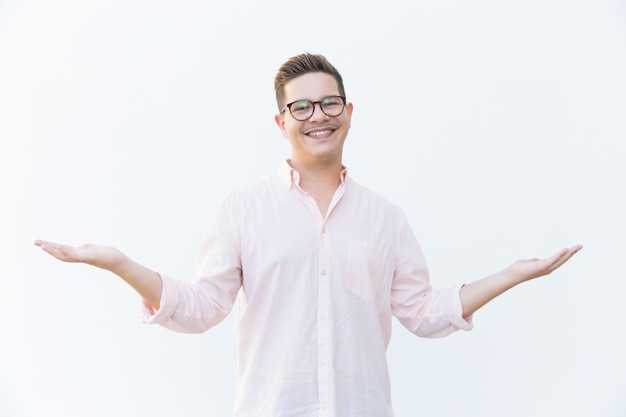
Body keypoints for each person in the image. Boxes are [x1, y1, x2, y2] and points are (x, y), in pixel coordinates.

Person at [35, 52, 582, 417]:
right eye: (300, 105)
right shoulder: (242, 209)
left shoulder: (385, 218)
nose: (317, 115)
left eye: (329, 102)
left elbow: (424, 312)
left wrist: (512, 276)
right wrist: (117, 263)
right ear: (281, 121)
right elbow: (202, 307)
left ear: (348, 113)